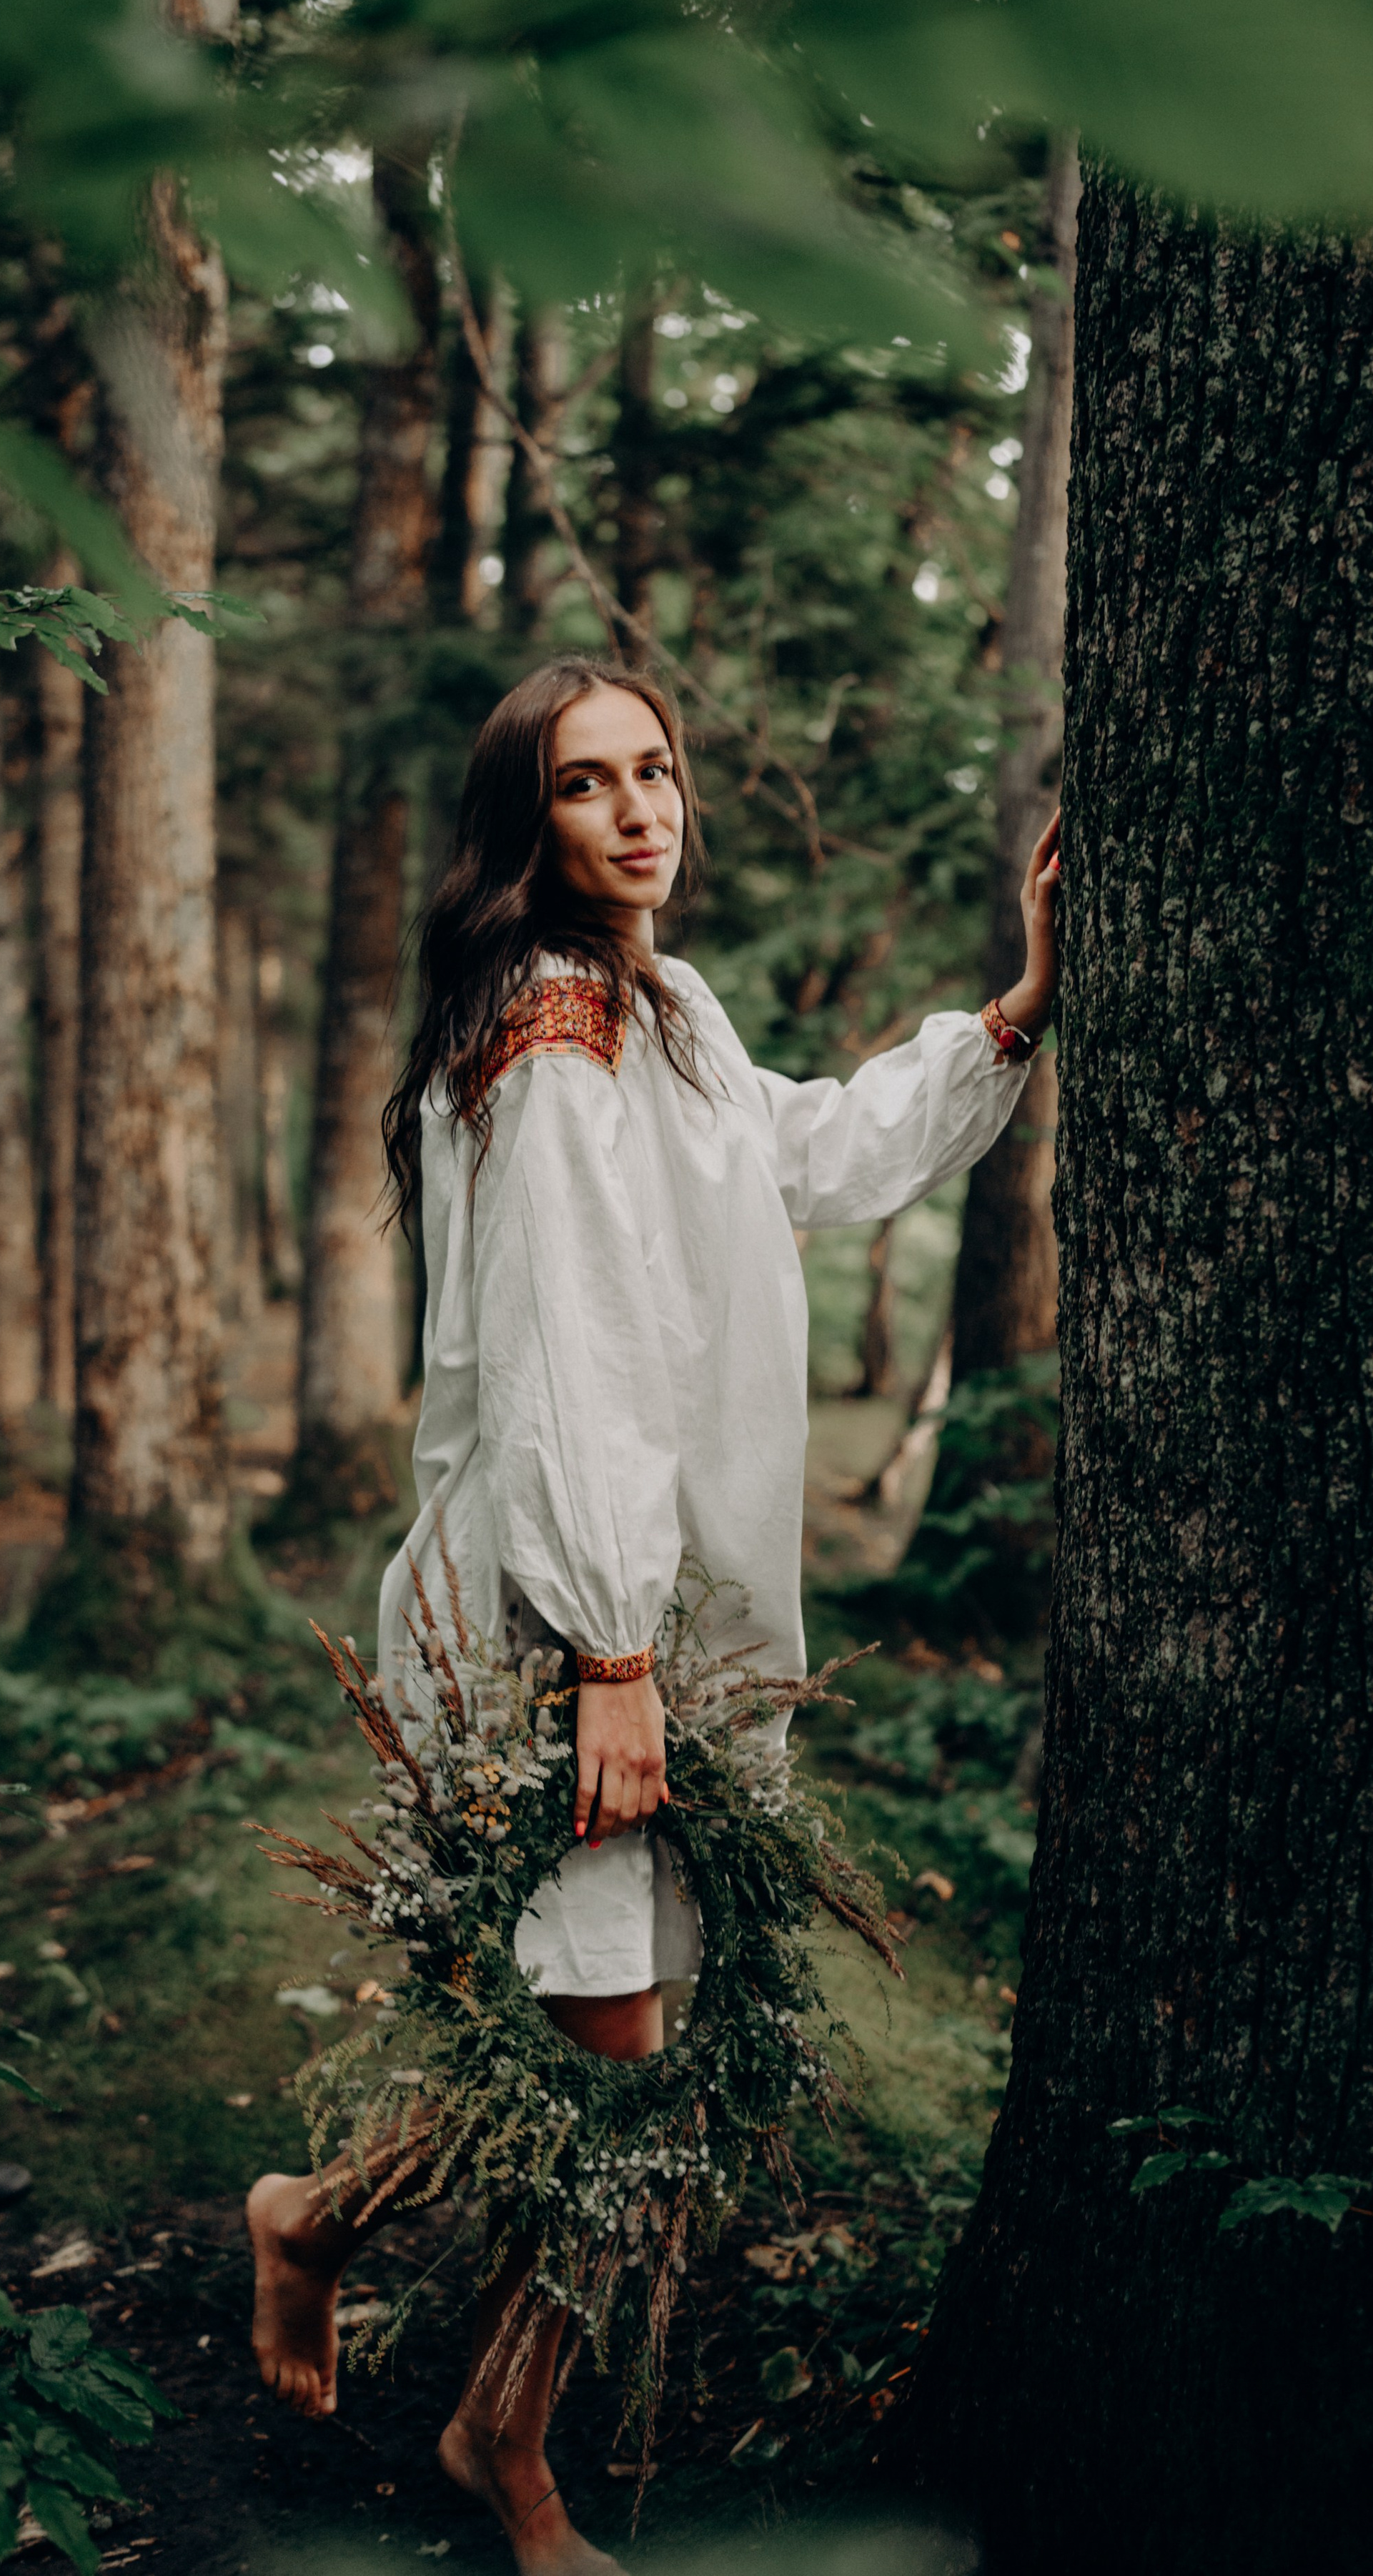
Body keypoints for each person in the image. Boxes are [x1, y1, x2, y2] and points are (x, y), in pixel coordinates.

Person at [249, 653, 1060, 2572]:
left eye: (660, 770)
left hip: (649, 1625)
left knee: (574, 2044)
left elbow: (813, 1152)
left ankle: (321, 2223)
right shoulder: (545, 1031)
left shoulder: (664, 1008)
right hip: (555, 1633)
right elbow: (565, 1360)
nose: (644, 808)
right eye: (590, 783)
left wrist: (1014, 1011)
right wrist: (611, 1658)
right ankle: (500, 2444)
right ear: (527, 826)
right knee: (612, 2069)